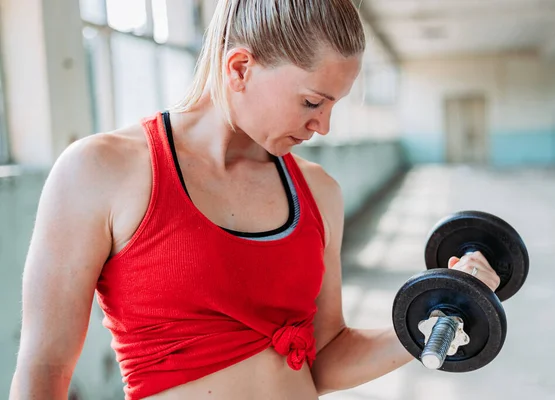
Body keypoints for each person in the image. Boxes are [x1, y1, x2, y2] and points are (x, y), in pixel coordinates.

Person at [9, 0, 501, 399]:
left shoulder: (318, 191)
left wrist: (439, 307)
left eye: (334, 106)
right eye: (311, 101)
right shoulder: (100, 170)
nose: (323, 126)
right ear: (240, 67)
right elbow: (45, 368)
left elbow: (325, 358)